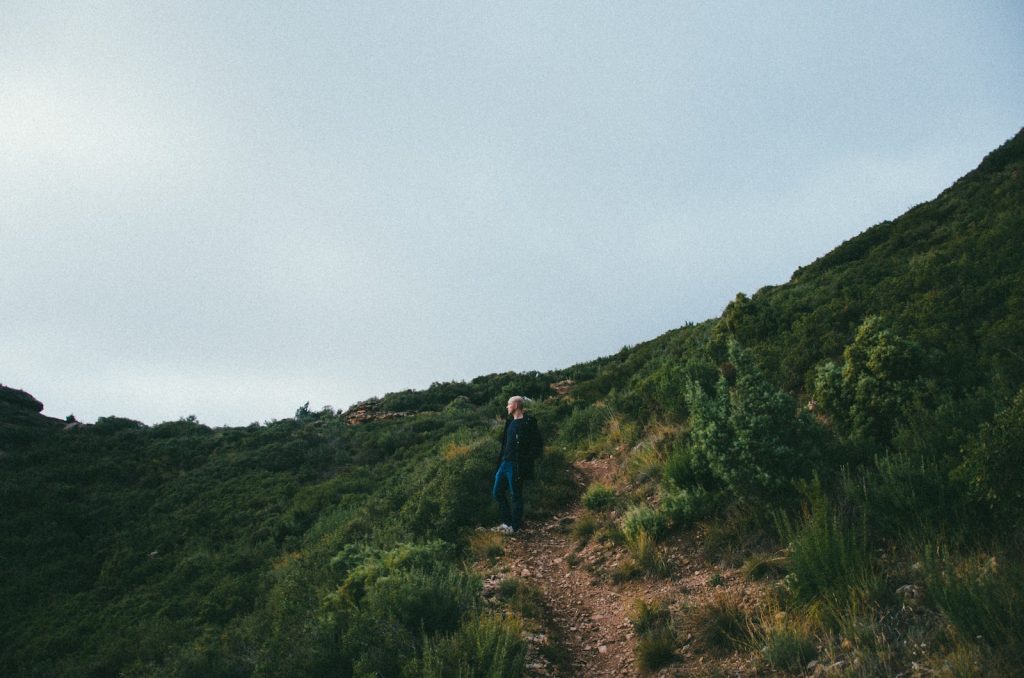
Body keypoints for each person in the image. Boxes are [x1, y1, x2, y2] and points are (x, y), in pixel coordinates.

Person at [492, 395, 543, 533]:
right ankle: (507, 523)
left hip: (516, 465)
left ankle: (515, 527)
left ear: (515, 405)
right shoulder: (510, 423)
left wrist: (525, 461)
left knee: (516, 495)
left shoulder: (529, 422)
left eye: (508, 404)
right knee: (497, 492)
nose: (507, 407)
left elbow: (538, 445)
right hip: (504, 463)